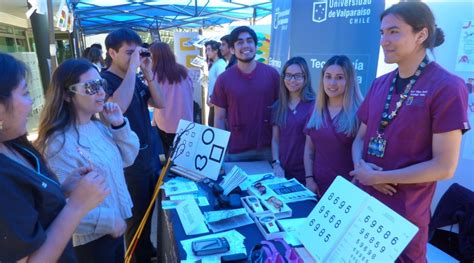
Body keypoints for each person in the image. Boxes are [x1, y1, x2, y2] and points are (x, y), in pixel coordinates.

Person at [349, 2, 469, 261]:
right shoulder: (380, 83)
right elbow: (359, 138)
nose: (383, 40)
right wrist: (361, 168)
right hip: (365, 204)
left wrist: (380, 177)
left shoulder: (447, 87)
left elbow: (444, 166)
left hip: (404, 217)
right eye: (382, 33)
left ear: (421, 35)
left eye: (393, 32)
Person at [0, 53, 108, 262]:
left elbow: (31, 206)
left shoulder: (14, 145)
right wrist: (77, 206)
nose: (31, 102)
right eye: (25, 93)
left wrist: (64, 189)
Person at [35, 59, 139, 263]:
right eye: (91, 87)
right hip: (91, 243)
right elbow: (59, 207)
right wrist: (110, 221)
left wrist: (118, 125)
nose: (101, 92)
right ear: (66, 94)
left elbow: (127, 159)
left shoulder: (98, 126)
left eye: (101, 84)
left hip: (114, 229)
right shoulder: (58, 143)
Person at [101, 28, 165, 263]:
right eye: (129, 53)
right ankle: (137, 257)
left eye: (137, 52)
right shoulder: (103, 81)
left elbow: (161, 102)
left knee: (148, 213)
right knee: (135, 218)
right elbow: (116, 108)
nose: (134, 58)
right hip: (128, 164)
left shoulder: (135, 77)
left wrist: (147, 72)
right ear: (111, 52)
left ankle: (146, 252)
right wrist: (132, 70)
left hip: (147, 157)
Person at [211, 26, 279, 162]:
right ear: (232, 49)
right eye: (240, 42)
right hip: (236, 150)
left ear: (255, 45)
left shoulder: (272, 74)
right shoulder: (224, 79)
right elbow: (219, 118)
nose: (245, 45)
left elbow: (281, 112)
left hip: (267, 149)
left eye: (249, 41)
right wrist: (220, 155)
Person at [303, 55, 363, 195]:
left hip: (348, 188)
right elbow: (309, 150)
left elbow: (364, 154)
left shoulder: (361, 111)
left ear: (350, 80)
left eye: (339, 77)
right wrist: (309, 179)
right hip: (317, 187)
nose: (332, 83)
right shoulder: (315, 109)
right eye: (328, 76)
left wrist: (355, 182)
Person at [271, 57, 315, 184]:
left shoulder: (314, 105)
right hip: (282, 172)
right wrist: (276, 164)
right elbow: (275, 139)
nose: (292, 80)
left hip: (306, 174)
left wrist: (309, 177)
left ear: (305, 77)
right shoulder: (278, 106)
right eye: (288, 75)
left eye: (297, 76)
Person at [150, 41, 194, 156]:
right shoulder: (184, 72)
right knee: (183, 157)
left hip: (165, 123)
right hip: (186, 121)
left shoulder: (154, 76)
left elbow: (152, 102)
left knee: (167, 157)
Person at [205, 40, 226, 126]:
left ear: (216, 50)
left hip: (217, 104)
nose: (207, 52)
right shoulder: (215, 64)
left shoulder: (220, 64)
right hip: (214, 102)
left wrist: (214, 99)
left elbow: (222, 85)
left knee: (214, 128)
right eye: (206, 50)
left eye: (209, 49)